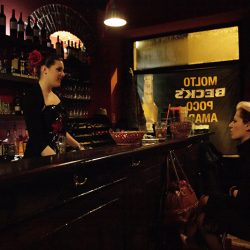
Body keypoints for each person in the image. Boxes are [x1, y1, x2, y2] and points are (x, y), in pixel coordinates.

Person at [182, 101, 250, 249]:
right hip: (244, 209)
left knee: (205, 218)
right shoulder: (245, 150)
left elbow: (244, 198)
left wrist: (231, 193)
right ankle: (190, 240)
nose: (230, 125)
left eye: (235, 121)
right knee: (204, 209)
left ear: (248, 125)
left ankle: (188, 240)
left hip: (247, 215)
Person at [23, 52, 84, 158]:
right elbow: (37, 140)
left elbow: (61, 131)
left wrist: (79, 146)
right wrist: (56, 161)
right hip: (37, 161)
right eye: (59, 69)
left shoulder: (56, 96)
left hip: (54, 157)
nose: (63, 74)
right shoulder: (32, 96)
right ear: (45, 70)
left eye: (63, 70)